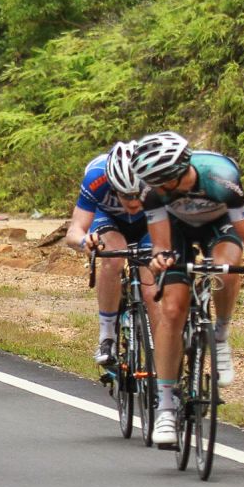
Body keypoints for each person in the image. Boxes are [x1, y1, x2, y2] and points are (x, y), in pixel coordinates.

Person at [138, 130, 244, 449]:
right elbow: (160, 246)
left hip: (219, 226)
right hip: (177, 229)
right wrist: (159, 261)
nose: (160, 189)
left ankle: (221, 335)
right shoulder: (154, 192)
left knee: (225, 267)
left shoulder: (222, 179)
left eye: (164, 182)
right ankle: (166, 406)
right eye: (153, 183)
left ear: (182, 170)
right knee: (171, 309)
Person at [64, 141, 154, 367]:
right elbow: (74, 232)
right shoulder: (96, 178)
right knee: (113, 257)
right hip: (109, 220)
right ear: (113, 185)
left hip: (148, 222)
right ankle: (107, 337)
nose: (133, 202)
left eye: (137, 194)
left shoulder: (156, 179)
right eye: (126, 194)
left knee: (151, 284)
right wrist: (86, 241)